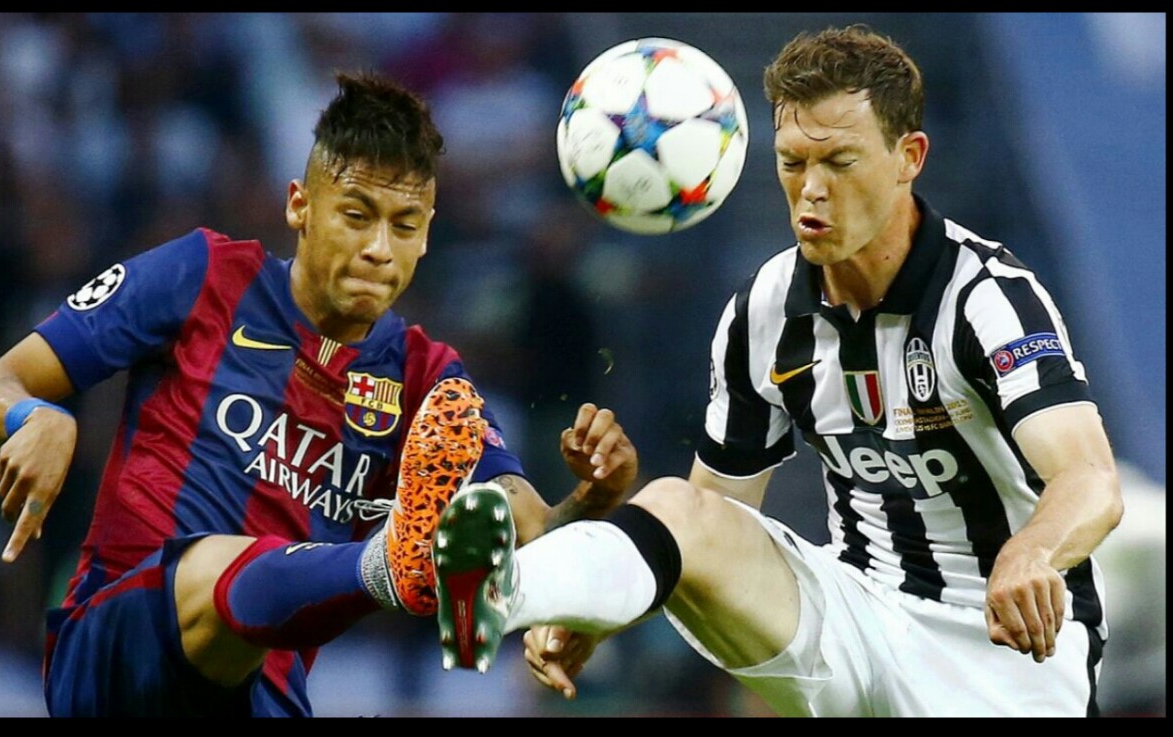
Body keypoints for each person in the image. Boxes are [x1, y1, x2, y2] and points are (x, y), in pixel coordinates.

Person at [433, 25, 1124, 717]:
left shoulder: (985, 297)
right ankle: (501, 590)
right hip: (858, 619)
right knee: (676, 503)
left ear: (908, 157)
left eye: (840, 161)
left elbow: (1090, 478)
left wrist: (1033, 552)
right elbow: (709, 527)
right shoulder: (763, 309)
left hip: (1003, 653)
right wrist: (599, 608)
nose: (811, 191)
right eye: (792, 162)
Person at [0, 72, 638, 717]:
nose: (378, 249)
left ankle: (399, 564)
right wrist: (33, 416)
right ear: (299, 205)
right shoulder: (202, 275)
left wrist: (590, 499)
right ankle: (389, 567)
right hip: (117, 649)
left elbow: (518, 520)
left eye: (403, 225)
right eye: (357, 215)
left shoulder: (428, 379)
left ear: (426, 235)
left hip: (260, 695)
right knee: (213, 560)